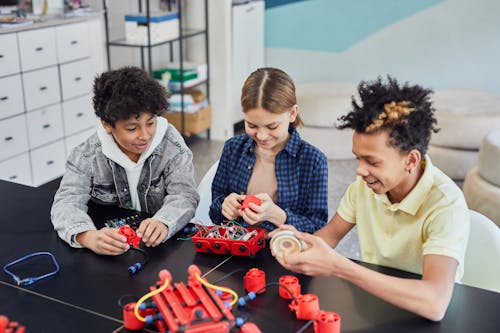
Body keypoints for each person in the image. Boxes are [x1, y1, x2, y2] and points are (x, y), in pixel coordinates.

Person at [270, 76, 470, 321]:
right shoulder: (363, 188)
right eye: (358, 158)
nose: (359, 170)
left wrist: (339, 266)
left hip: (425, 318)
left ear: (411, 160)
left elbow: (435, 303)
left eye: (372, 161)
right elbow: (329, 236)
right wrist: (298, 242)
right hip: (376, 306)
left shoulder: (445, 204)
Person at [51, 66, 199, 255]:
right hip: (112, 247)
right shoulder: (87, 155)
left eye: (151, 123)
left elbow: (185, 195)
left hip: (159, 249)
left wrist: (163, 221)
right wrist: (87, 236)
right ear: (106, 124)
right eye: (132, 128)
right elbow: (66, 203)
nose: (144, 135)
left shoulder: (172, 145)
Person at [209, 67, 328, 233]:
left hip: (284, 252)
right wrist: (224, 206)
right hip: (236, 248)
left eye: (272, 126)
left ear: (292, 113)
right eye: (251, 125)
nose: (262, 135)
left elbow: (318, 228)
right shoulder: (232, 148)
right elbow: (215, 210)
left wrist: (276, 215)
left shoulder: (313, 161)